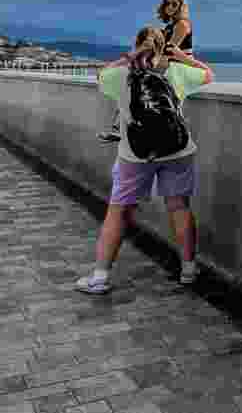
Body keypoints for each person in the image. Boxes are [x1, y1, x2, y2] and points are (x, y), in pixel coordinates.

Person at [76, 26, 214, 294]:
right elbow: (208, 74)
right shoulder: (175, 71)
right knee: (179, 207)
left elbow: (100, 76)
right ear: (163, 47)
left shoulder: (122, 75)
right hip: (178, 151)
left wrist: (128, 58)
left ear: (137, 44)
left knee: (119, 211)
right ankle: (188, 270)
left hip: (135, 155)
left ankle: (100, 277)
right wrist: (182, 58)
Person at [97, 0, 195, 142]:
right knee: (133, 82)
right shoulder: (170, 26)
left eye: (174, 4)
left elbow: (168, 51)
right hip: (168, 65)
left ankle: (123, 128)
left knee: (137, 82)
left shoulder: (182, 24)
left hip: (179, 66)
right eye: (167, 3)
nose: (170, 7)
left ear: (181, 6)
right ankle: (121, 128)